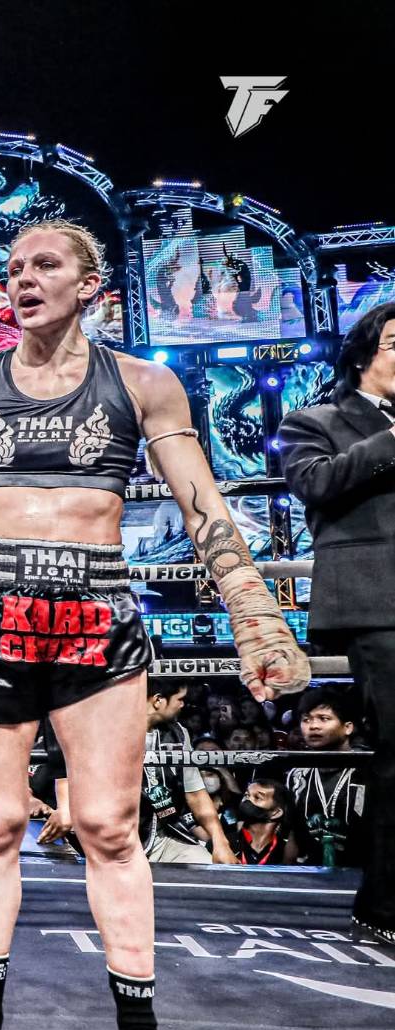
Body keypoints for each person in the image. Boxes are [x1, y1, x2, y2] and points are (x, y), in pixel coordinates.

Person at [0, 219, 308, 1030]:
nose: (22, 278)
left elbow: (201, 502)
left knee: (106, 825)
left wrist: (250, 605)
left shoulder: (142, 383)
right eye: (12, 268)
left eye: (44, 264)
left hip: (94, 624)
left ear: (88, 284)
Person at [279, 301, 395, 945]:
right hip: (379, 604)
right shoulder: (316, 421)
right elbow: (315, 484)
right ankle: (384, 905)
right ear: (362, 356)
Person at [140, 679, 235, 865]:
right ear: (158, 700)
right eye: (180, 699)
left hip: (163, 836)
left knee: (210, 868)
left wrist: (220, 842)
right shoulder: (112, 733)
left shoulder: (178, 734)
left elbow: (196, 794)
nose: (183, 705)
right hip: (118, 838)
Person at [286, 688, 370, 868]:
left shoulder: (369, 770)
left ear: (347, 727)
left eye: (324, 718)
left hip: (365, 871)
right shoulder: (297, 776)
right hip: (312, 872)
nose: (313, 726)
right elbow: (294, 833)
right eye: (306, 720)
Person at [232, 779, 296, 865]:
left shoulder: (286, 852)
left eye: (257, 797)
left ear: (276, 813)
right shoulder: (225, 842)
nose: (247, 799)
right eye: (246, 795)